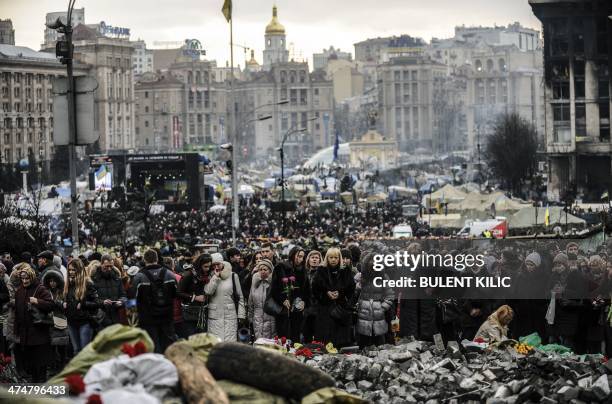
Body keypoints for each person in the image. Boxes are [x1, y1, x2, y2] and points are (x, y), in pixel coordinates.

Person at [131, 249, 177, 353]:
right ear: (157, 259)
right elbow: (175, 295)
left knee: (152, 347)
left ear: (144, 259)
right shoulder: (170, 274)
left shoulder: (139, 276)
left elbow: (132, 299)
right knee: (169, 347)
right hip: (167, 317)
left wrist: (133, 323)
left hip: (147, 319)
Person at [13, 263, 54, 382]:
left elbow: (51, 305)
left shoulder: (40, 289)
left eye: (27, 278)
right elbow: (17, 312)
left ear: (32, 277)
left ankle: (41, 391)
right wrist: (16, 330)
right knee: (31, 366)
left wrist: (38, 301)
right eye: (23, 278)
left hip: (39, 334)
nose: (24, 281)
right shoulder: (19, 291)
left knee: (41, 366)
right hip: (25, 335)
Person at [312, 248, 356, 347]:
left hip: (341, 309)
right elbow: (315, 289)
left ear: (339, 258)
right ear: (327, 258)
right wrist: (326, 293)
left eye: (336, 257)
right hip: (325, 309)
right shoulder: (320, 271)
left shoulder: (345, 271)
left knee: (341, 341)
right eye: (331, 257)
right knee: (325, 340)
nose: (333, 260)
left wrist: (340, 294)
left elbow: (351, 289)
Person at [355, 253, 394, 348]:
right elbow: (354, 296)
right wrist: (357, 289)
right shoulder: (360, 277)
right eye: (370, 261)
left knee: (379, 344)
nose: (372, 264)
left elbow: (390, 295)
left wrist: (382, 308)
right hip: (363, 317)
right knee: (363, 344)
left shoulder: (383, 277)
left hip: (379, 318)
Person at [64, 258, 100, 354]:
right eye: (69, 270)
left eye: (73, 270)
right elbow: (66, 300)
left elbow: (96, 303)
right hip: (71, 321)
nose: (71, 272)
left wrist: (83, 304)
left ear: (79, 270)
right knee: (76, 351)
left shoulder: (87, 283)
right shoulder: (68, 284)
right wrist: (62, 304)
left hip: (85, 321)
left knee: (85, 351)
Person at [205, 258, 246, 342]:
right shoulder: (209, 276)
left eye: (218, 264)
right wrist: (215, 277)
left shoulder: (233, 276)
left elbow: (240, 296)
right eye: (214, 265)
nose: (216, 267)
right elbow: (208, 292)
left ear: (223, 263)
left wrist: (241, 315)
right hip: (214, 316)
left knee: (230, 343)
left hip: (230, 315)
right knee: (215, 344)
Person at [41, 266, 69, 372]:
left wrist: (57, 303)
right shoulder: (45, 292)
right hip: (49, 321)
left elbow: (65, 306)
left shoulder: (62, 292)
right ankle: (53, 366)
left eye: (54, 281)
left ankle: (61, 365)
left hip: (61, 320)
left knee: (61, 345)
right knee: (51, 347)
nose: (52, 283)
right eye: (50, 281)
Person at [177, 253, 211, 337]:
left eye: (209, 266)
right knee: (191, 339)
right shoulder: (189, 274)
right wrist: (195, 297)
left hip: (203, 312)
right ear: (199, 265)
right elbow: (178, 292)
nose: (207, 269)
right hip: (190, 313)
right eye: (205, 266)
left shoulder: (207, 275)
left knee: (203, 340)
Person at [248, 259, 275, 339]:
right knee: (259, 340)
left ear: (270, 271)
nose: (262, 271)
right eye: (260, 269)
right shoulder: (255, 282)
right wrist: (250, 316)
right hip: (257, 316)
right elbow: (250, 300)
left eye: (265, 269)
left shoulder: (273, 283)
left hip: (270, 317)